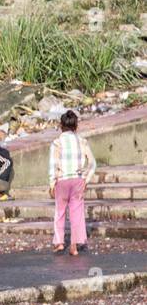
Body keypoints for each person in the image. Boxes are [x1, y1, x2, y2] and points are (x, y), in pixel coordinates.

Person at [49, 109, 97, 257]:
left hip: (62, 181)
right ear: (76, 126)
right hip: (77, 180)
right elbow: (93, 163)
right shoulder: (82, 141)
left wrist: (51, 183)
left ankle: (59, 242)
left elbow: (53, 165)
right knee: (77, 214)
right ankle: (74, 246)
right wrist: (86, 179)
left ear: (60, 125)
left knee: (60, 212)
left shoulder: (56, 143)